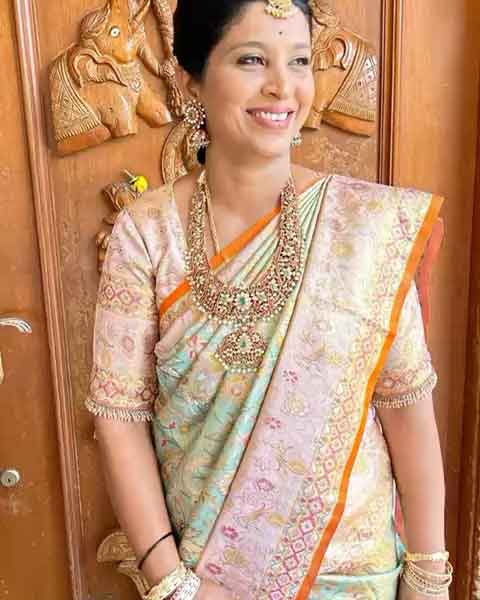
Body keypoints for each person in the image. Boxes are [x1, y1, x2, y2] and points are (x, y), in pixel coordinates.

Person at [85, 1, 451, 598]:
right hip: (207, 578)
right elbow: (118, 417)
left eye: (299, 61)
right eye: (252, 60)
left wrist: (429, 574)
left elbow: (405, 402)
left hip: (356, 575)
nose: (284, 87)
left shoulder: (363, 227)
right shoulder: (147, 235)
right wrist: (172, 583)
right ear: (192, 81)